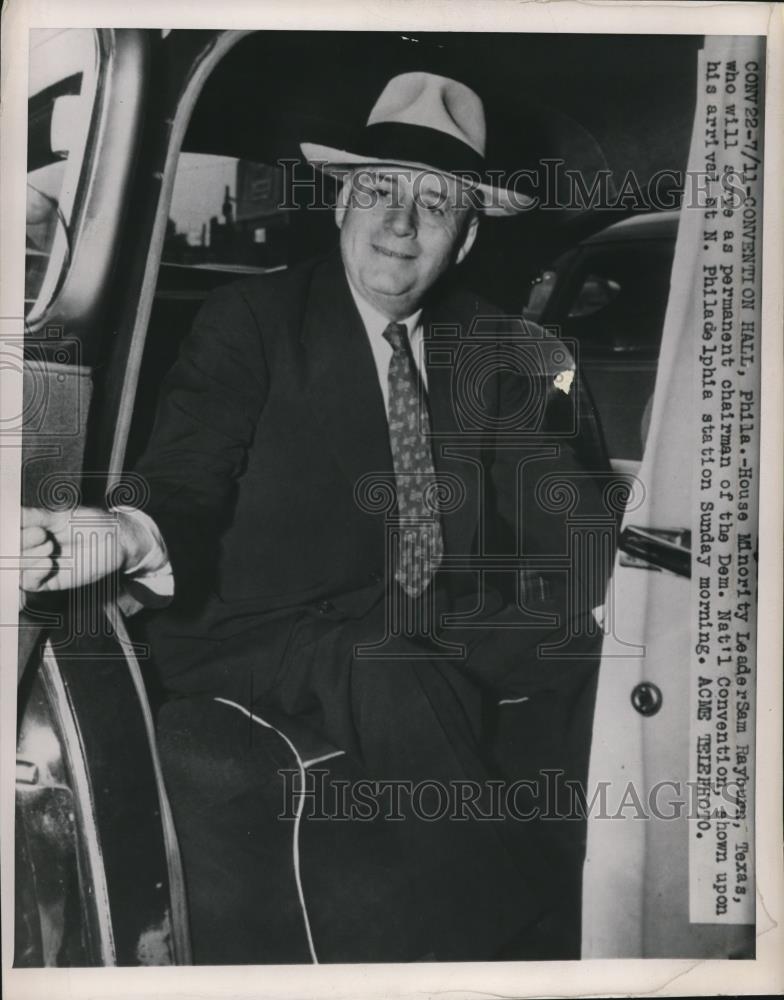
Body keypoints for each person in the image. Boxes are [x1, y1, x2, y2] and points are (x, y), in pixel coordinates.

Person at [20, 72, 611, 964]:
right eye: (379, 189)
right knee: (393, 669)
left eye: (435, 204)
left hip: (419, 614)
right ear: (342, 200)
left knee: (584, 648)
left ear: (467, 234)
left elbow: (562, 517)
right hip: (265, 626)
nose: (401, 223)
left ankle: (611, 890)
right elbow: (183, 479)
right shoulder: (251, 321)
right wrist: (127, 531)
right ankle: (523, 941)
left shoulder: (492, 346)